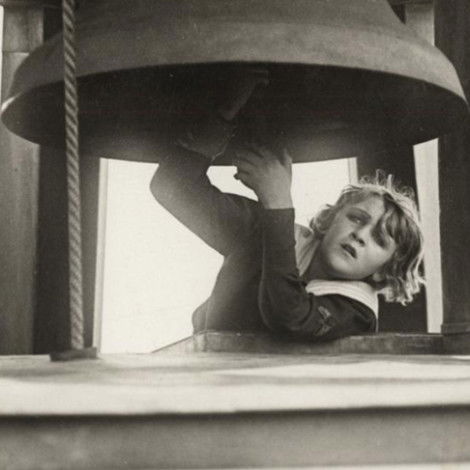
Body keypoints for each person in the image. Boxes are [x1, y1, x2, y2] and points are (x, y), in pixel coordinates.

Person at [150, 69, 424, 341]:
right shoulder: (264, 231)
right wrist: (225, 112)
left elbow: (289, 315)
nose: (360, 235)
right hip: (207, 366)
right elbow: (172, 187)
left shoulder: (358, 313)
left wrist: (278, 200)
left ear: (385, 270)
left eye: (379, 240)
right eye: (357, 218)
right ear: (330, 219)